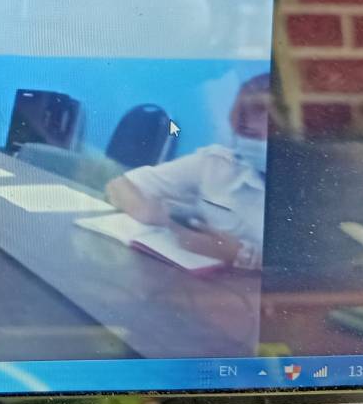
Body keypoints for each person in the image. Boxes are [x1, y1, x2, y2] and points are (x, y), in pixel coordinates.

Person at [104, 75, 270, 270]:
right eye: (250, 134)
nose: (262, 144)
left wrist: (238, 254)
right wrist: (145, 212)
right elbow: (118, 185)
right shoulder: (215, 163)